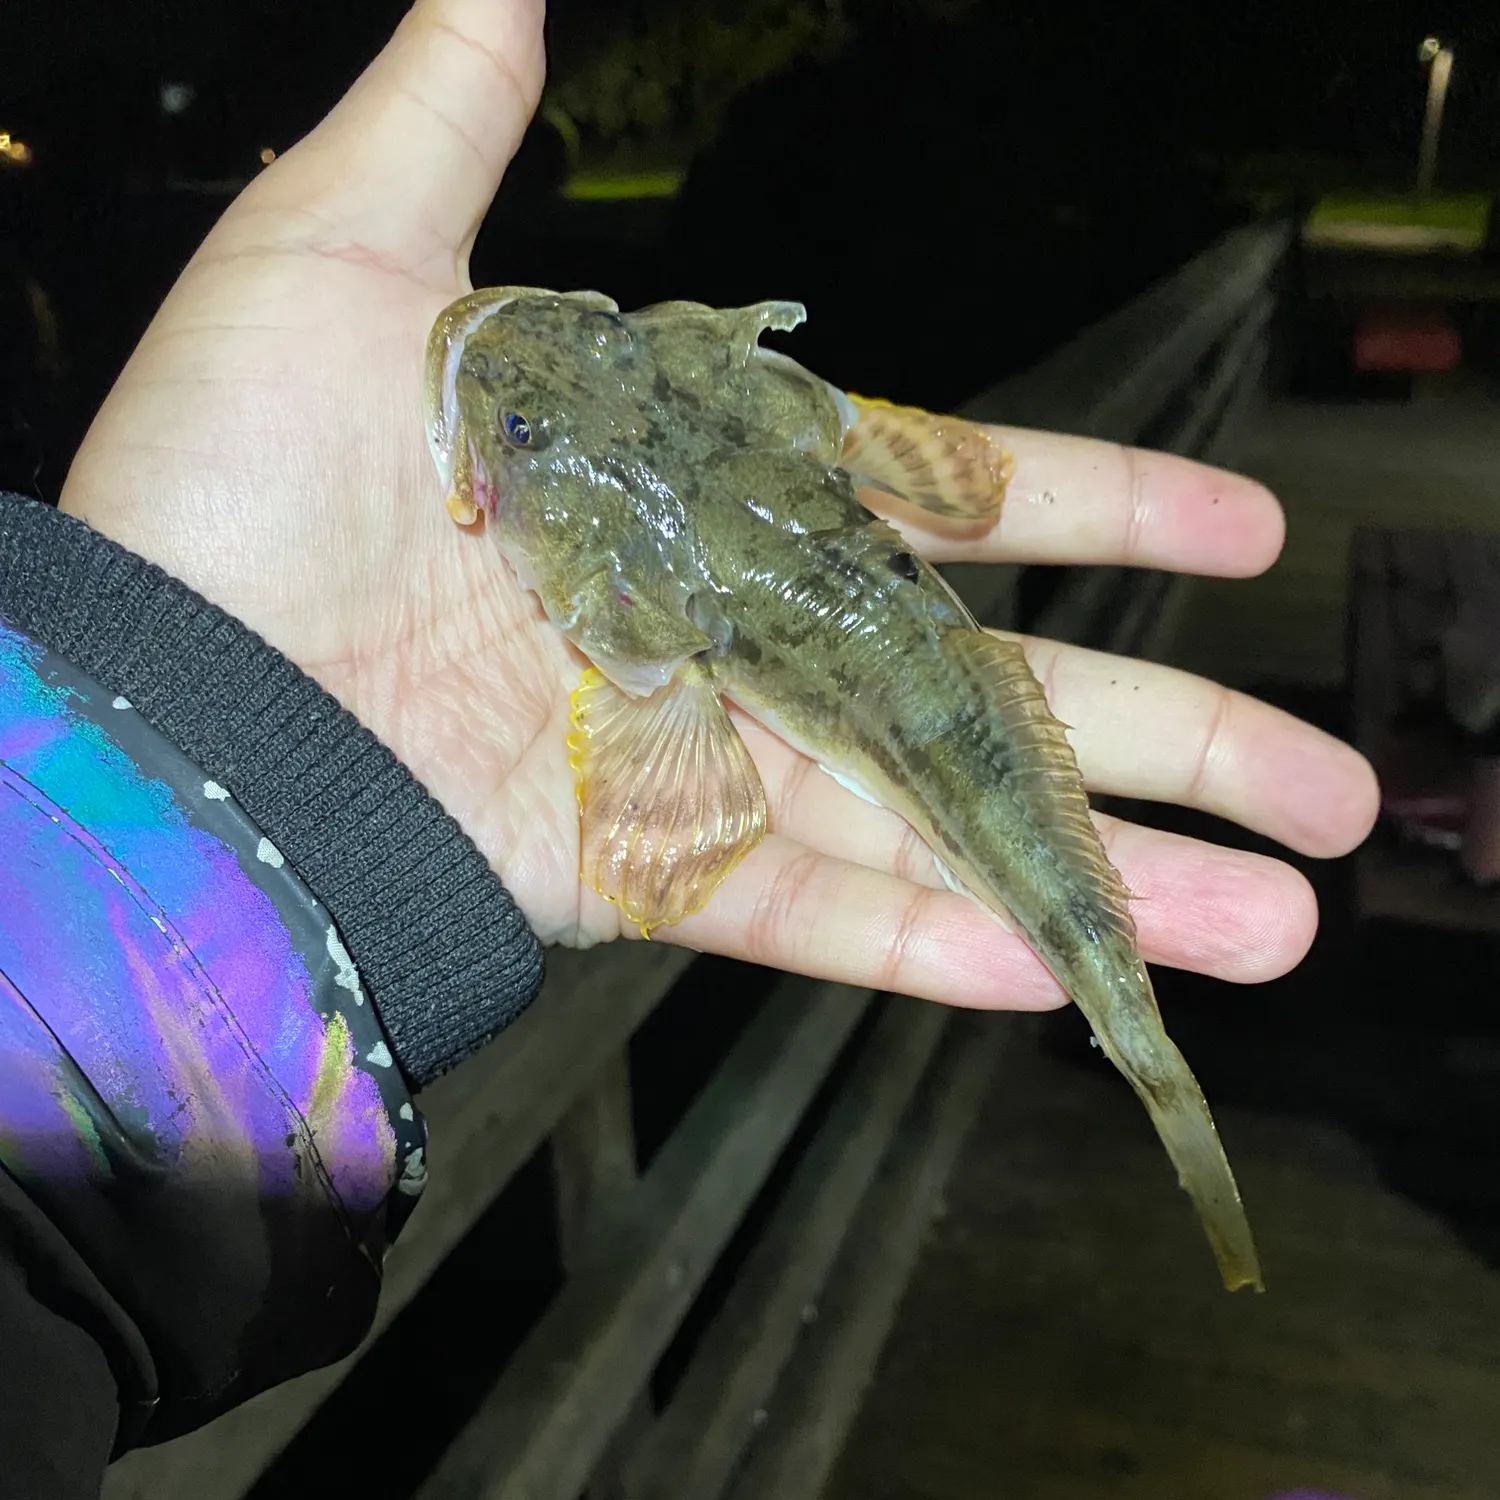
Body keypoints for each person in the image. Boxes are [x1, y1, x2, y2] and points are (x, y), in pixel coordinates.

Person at [0, 1, 1379, 1495]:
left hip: (882, 667)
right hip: (848, 619)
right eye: (531, 435)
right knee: (1093, 945)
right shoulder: (675, 529)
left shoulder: (637, 595)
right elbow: (925, 486)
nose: (514, 390)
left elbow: (674, 749)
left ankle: (1162, 1080)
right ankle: (1168, 1090)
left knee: (1100, 960)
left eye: (541, 411)